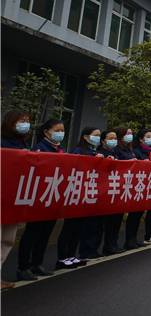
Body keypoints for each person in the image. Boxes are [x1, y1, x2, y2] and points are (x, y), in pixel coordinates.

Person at [17, 120, 66, 281]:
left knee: (45, 233)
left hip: (54, 197)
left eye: (62, 130)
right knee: (32, 232)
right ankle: (23, 267)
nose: (60, 133)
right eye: (57, 130)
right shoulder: (39, 148)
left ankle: (37, 263)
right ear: (46, 132)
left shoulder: (61, 149)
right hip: (39, 197)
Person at [63, 127, 108, 265]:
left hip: (91, 194)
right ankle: (64, 256)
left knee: (82, 227)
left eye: (99, 135)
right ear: (86, 137)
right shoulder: (78, 152)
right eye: (95, 135)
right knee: (71, 228)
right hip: (78, 194)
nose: (97, 137)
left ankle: (75, 254)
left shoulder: (96, 152)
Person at [1, 110, 32, 290]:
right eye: (22, 120)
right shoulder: (3, 143)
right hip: (2, 196)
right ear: (11, 122)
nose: (25, 124)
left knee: (8, 238)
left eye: (27, 121)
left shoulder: (24, 144)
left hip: (15, 198)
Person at [99, 129, 128, 256]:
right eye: (110, 138)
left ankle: (113, 243)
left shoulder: (115, 152)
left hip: (118, 191)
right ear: (102, 140)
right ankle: (106, 246)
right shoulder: (100, 153)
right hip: (106, 192)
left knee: (117, 220)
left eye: (115, 138)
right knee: (108, 222)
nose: (113, 141)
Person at [128, 129, 151, 249]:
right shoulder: (137, 151)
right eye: (147, 136)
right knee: (133, 214)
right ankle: (129, 239)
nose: (150, 138)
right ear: (140, 139)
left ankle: (134, 238)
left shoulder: (150, 152)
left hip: (145, 185)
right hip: (136, 185)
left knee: (138, 213)